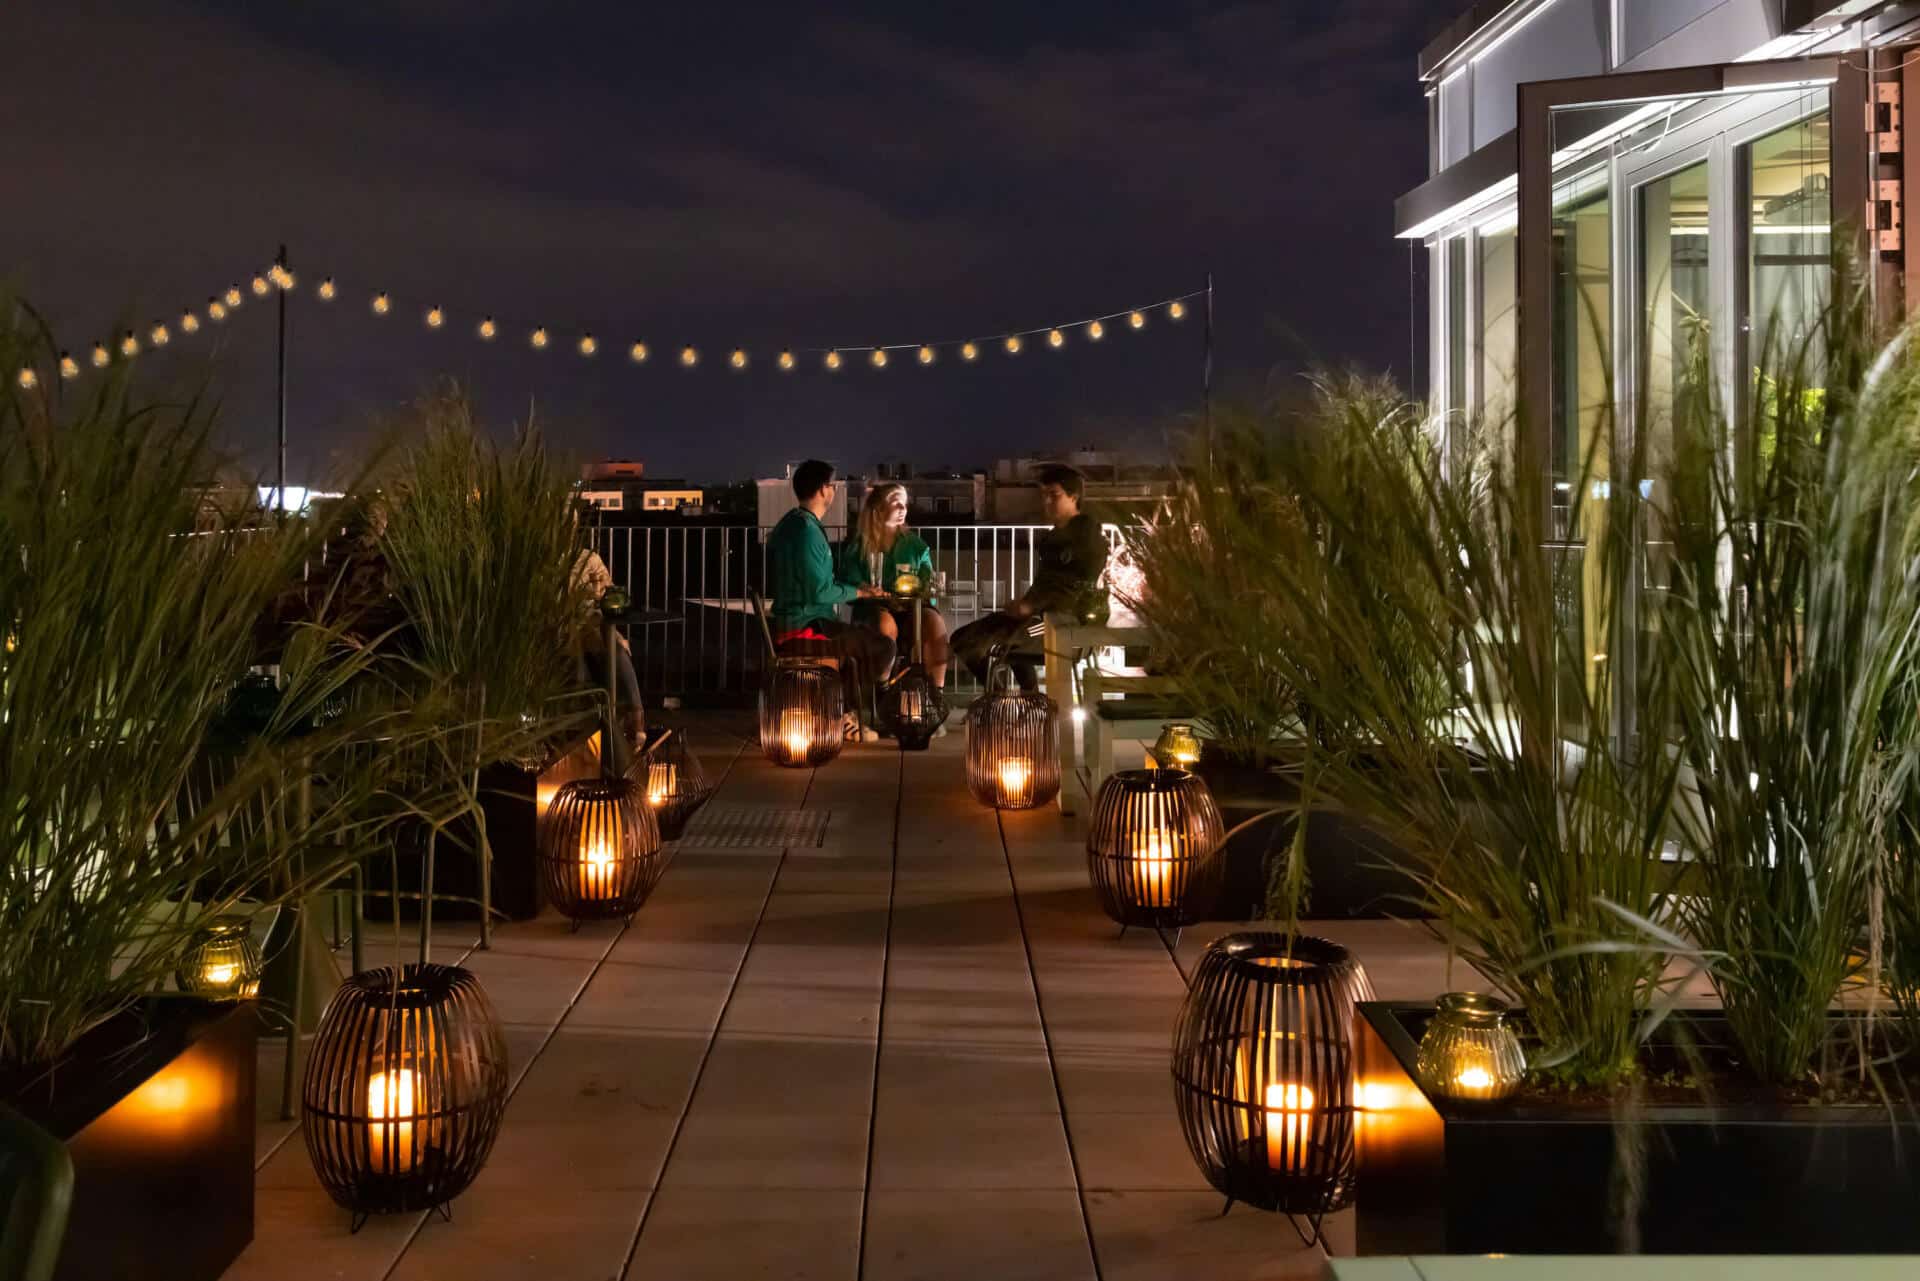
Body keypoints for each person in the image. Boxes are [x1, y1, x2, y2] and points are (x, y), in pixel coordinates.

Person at [951, 463, 1108, 693]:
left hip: (1065, 623)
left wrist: (1031, 606)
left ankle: (1020, 701)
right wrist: (1024, 604)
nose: (1046, 502)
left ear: (1073, 497)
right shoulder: (1053, 538)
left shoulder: (1087, 535)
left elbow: (1078, 588)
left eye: (1053, 495)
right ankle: (1010, 700)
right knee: (962, 639)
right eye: (1043, 495)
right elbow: (1045, 584)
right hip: (1038, 616)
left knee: (1004, 641)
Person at [766, 459, 896, 719]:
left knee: (861, 642)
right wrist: (860, 593)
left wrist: (854, 588)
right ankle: (845, 714)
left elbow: (816, 581)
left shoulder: (791, 523)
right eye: (833, 486)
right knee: (883, 647)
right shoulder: (807, 531)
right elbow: (820, 592)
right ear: (823, 489)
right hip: (804, 626)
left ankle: (843, 710)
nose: (835, 491)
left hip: (796, 619)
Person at [838, 482, 949, 689]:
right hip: (874, 609)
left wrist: (920, 593)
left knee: (934, 621)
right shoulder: (858, 547)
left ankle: (936, 695)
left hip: (910, 610)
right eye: (896, 503)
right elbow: (849, 583)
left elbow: (928, 584)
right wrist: (866, 589)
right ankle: (881, 692)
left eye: (905, 504)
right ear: (878, 508)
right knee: (884, 623)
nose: (903, 509)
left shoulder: (916, 546)